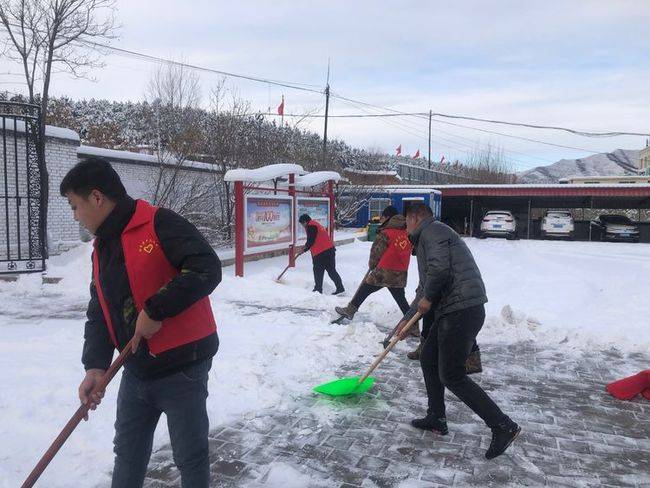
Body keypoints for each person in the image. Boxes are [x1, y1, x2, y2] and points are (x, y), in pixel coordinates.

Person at [60, 158, 221, 488]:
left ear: (96, 197)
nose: (75, 216)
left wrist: (156, 309)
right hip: (136, 369)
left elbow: (206, 269)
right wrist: (94, 366)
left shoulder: (159, 223)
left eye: (75, 207)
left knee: (190, 458)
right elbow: (100, 309)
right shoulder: (102, 248)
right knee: (128, 455)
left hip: (183, 368)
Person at [396, 203, 520, 460]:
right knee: (428, 359)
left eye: (406, 222)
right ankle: (436, 417)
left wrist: (429, 298)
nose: (405, 227)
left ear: (416, 217)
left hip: (462, 310)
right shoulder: (429, 237)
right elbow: (425, 286)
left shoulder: (433, 232)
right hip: (454, 310)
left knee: (451, 375)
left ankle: (503, 425)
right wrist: (405, 322)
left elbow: (439, 272)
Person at [334, 206, 414, 326]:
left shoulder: (386, 232)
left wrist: (372, 265)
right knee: (401, 300)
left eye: (382, 217)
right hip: (400, 272)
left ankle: (350, 310)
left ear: (387, 217)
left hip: (384, 271)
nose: (381, 220)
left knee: (365, 288)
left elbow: (376, 252)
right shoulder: (407, 233)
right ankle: (412, 326)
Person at [297, 214, 344, 295]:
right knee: (331, 270)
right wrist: (305, 247)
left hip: (321, 252)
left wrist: (303, 250)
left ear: (305, 222)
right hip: (329, 250)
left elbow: (311, 241)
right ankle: (340, 288)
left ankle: (318, 290)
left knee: (318, 271)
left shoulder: (311, 226)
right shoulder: (315, 224)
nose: (302, 226)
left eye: (302, 224)